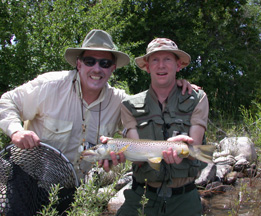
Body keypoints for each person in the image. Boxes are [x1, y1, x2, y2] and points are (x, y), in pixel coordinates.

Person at [0, 30, 196, 213]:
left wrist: (174, 87)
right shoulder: (50, 86)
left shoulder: (120, 101)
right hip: (27, 180)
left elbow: (140, 124)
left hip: (70, 188)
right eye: (90, 61)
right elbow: (7, 101)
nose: (97, 68)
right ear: (78, 63)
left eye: (104, 63)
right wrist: (16, 131)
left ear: (112, 68)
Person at [116, 38, 209, 216]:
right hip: (142, 195)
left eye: (167, 59)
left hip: (185, 198)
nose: (161, 66)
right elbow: (137, 157)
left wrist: (185, 150)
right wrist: (117, 152)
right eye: (155, 60)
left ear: (178, 65)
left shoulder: (198, 98)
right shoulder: (129, 105)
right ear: (147, 67)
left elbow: (196, 148)